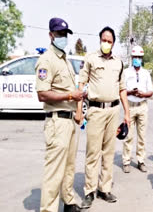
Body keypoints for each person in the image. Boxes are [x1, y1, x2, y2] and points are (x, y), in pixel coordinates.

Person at [76, 26, 130, 209]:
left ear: (114, 43)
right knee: (93, 152)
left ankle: (104, 188)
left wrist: (127, 114)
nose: (106, 43)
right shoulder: (90, 59)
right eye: (104, 40)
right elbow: (81, 84)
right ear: (100, 40)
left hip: (113, 111)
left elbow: (122, 89)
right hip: (96, 110)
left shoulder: (118, 63)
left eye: (109, 41)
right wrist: (79, 110)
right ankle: (89, 191)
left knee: (108, 152)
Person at [35, 17, 83, 212]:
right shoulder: (46, 60)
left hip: (70, 120)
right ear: (51, 35)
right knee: (54, 171)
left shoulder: (65, 59)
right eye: (59, 34)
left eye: (65, 34)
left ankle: (68, 203)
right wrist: (70, 94)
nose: (63, 37)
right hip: (57, 121)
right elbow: (42, 94)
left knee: (69, 167)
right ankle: (48, 209)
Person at [122, 45, 153, 173]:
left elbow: (151, 92)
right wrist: (131, 92)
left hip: (142, 106)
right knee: (128, 135)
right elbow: (122, 90)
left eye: (139, 57)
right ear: (132, 57)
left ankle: (141, 161)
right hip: (130, 106)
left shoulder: (146, 73)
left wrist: (142, 94)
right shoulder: (125, 72)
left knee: (142, 136)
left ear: (142, 58)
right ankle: (126, 161)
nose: (137, 59)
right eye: (135, 57)